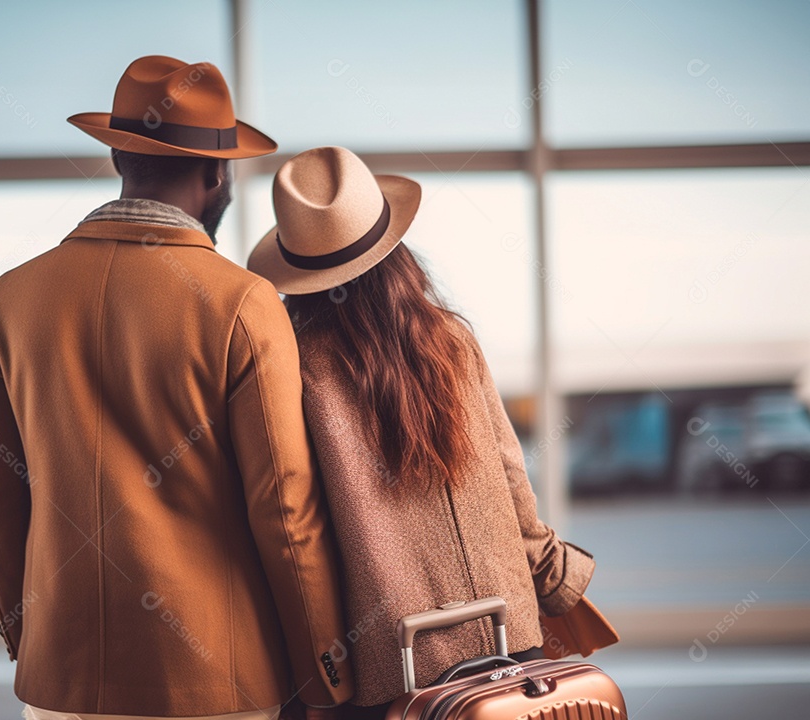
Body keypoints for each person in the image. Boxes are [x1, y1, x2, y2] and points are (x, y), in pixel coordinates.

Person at [0, 57, 353, 720]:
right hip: (217, 680)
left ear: (118, 155)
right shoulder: (243, 303)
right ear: (218, 174)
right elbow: (284, 510)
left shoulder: (11, 298)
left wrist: (29, 639)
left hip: (62, 676)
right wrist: (325, 673)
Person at [247, 146, 598, 713]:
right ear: (395, 250)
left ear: (299, 275)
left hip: (387, 666)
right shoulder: (453, 341)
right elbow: (512, 480)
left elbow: (296, 520)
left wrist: (318, 662)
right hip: (510, 642)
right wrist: (556, 579)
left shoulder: (296, 368)